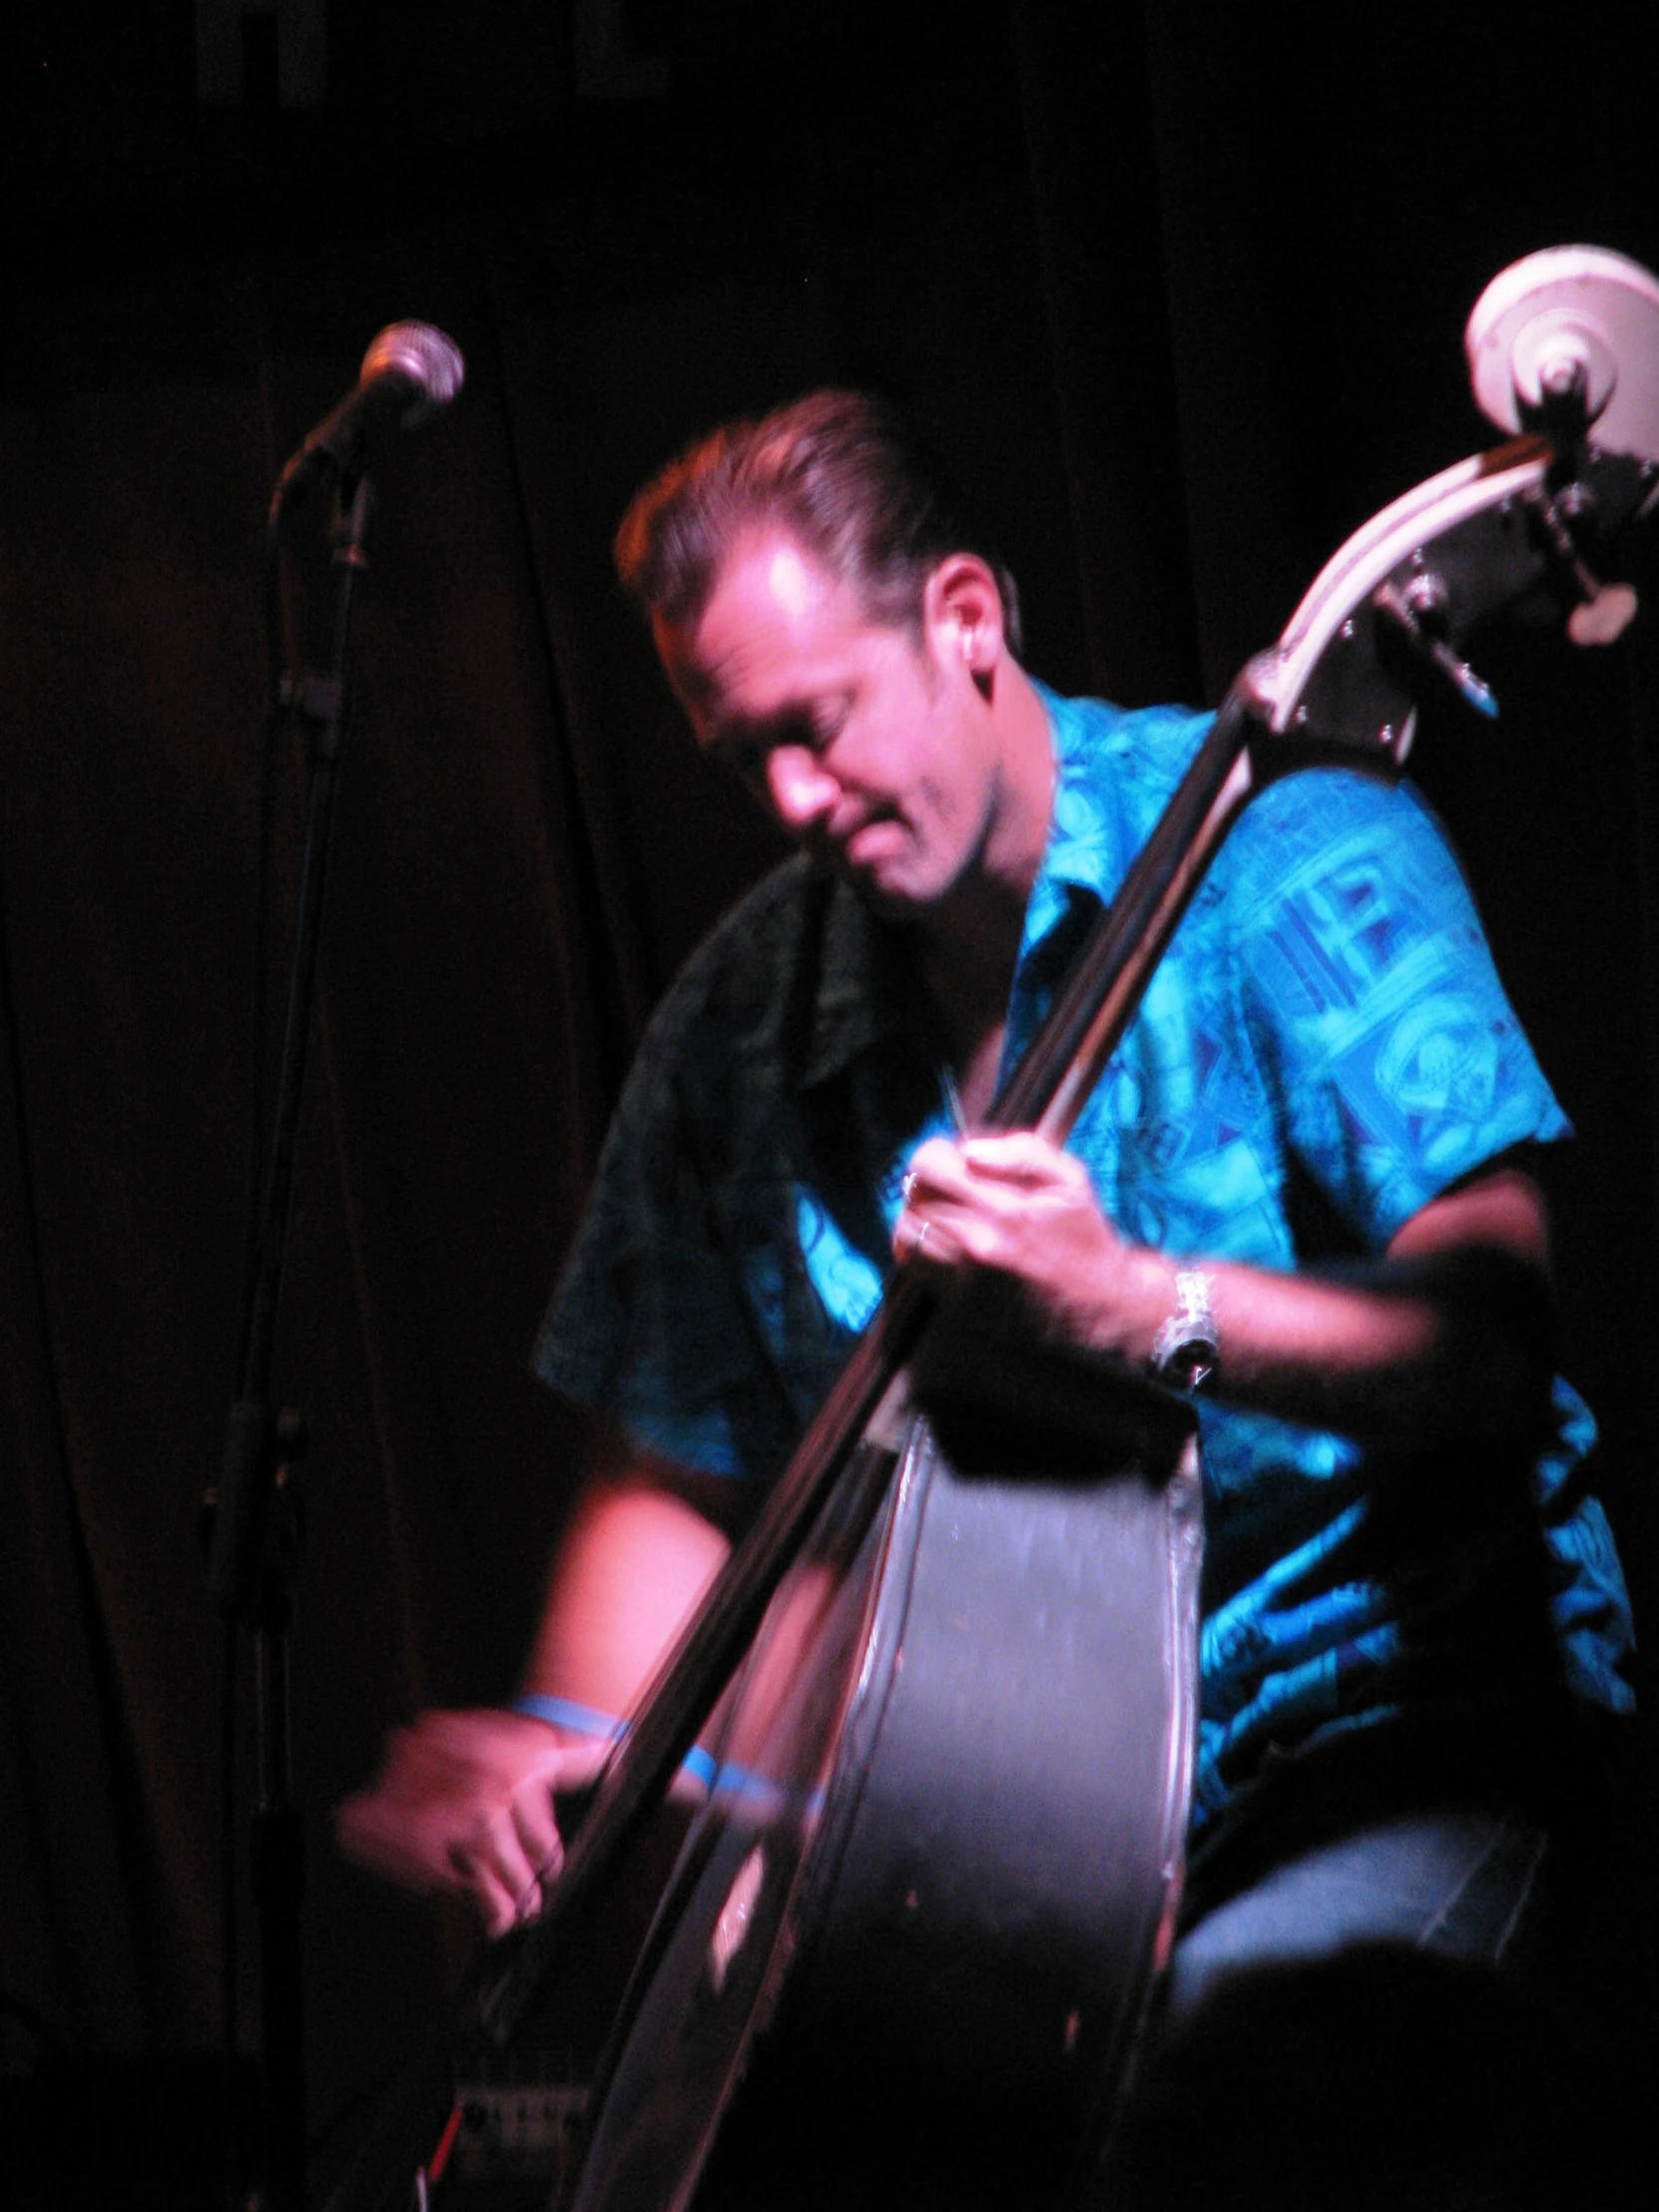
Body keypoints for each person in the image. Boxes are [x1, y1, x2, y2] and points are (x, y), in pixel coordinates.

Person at [339, 391, 1635, 2203]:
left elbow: (1489, 1350)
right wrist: (565, 1772)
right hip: (1001, 1846)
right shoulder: (738, 1028)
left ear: (964, 618)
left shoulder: (1291, 857)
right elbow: (667, 1473)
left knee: (1208, 2132)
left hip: (1382, 1732)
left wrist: (1134, 1306)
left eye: (818, 727)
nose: (790, 802)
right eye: (741, 762)